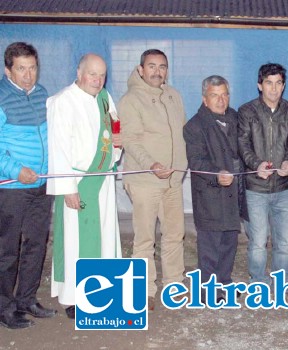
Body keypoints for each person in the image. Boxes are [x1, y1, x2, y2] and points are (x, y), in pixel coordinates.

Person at [47, 53, 122, 319]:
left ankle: (103, 290)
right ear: (79, 72)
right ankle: (75, 298)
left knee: (104, 236)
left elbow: (113, 128)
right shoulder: (62, 101)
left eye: (102, 75)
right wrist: (67, 187)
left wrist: (116, 147)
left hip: (103, 180)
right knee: (77, 240)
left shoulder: (104, 98)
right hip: (78, 181)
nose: (98, 80)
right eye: (92, 73)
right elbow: (58, 148)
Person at [118, 49, 187, 310]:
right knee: (145, 238)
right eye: (151, 66)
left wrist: (180, 166)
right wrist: (151, 165)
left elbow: (182, 131)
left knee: (174, 235)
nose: (157, 72)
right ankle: (144, 290)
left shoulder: (174, 96)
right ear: (140, 69)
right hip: (145, 181)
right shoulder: (131, 100)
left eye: (162, 67)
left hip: (172, 181)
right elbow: (130, 140)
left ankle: (173, 285)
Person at [0, 42, 56, 329]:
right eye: (21, 69)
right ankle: (5, 308)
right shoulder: (1, 97)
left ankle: (27, 300)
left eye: (32, 68)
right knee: (8, 249)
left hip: (41, 185)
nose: (28, 75)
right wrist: (15, 169)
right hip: (11, 186)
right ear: (8, 69)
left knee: (36, 243)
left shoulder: (42, 94)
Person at [184, 75, 247, 302]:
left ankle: (224, 283)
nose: (221, 100)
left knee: (230, 242)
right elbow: (197, 161)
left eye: (224, 95)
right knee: (210, 246)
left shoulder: (235, 117)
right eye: (214, 95)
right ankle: (206, 291)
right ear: (204, 98)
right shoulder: (194, 126)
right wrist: (216, 174)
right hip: (210, 195)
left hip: (233, 195)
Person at [238, 63, 288, 285]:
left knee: (283, 241)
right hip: (256, 187)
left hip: (284, 188)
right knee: (258, 241)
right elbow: (243, 144)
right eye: (268, 83)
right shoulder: (247, 111)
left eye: (278, 83)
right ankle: (258, 282)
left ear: (283, 86)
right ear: (259, 85)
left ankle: (282, 281)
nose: (273, 89)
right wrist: (257, 164)